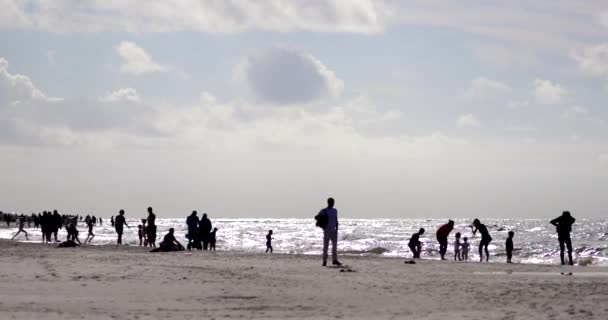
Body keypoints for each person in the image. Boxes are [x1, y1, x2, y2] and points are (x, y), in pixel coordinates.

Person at [318, 198, 341, 267]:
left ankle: (334, 260)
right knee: (326, 246)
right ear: (328, 202)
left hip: (333, 230)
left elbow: (336, 219)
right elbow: (317, 217)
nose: (332, 203)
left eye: (332, 202)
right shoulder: (324, 211)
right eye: (331, 202)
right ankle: (324, 261)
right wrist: (322, 224)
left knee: (334, 246)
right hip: (327, 230)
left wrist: (337, 227)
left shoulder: (335, 210)